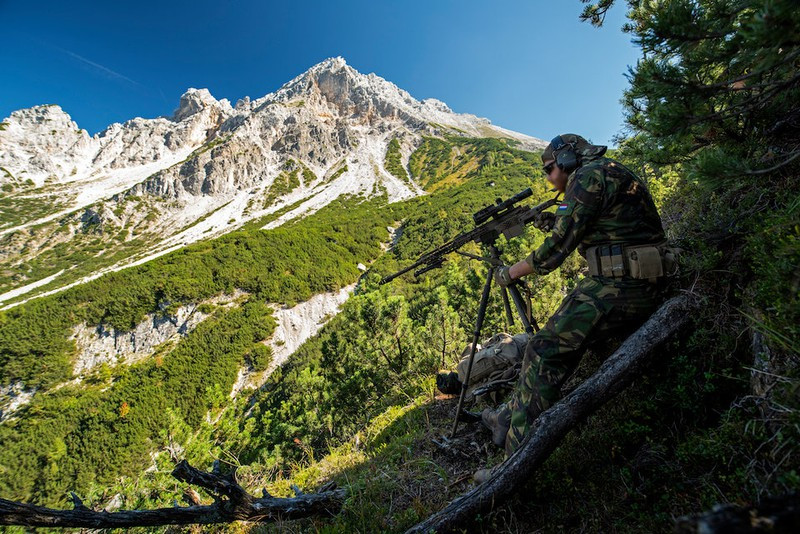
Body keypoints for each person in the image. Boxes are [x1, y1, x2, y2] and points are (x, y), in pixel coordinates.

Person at [479, 134, 671, 470]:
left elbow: (555, 252)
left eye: (550, 168)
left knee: (543, 350)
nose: (549, 178)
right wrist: (556, 220)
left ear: (566, 159)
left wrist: (511, 272)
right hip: (638, 277)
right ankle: (506, 420)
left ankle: (511, 464)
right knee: (544, 344)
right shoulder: (605, 170)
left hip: (625, 284)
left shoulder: (585, 178)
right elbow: (603, 226)